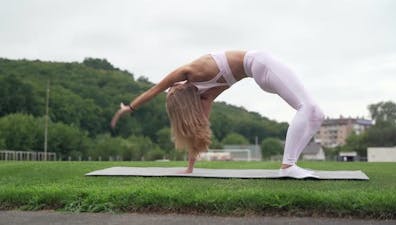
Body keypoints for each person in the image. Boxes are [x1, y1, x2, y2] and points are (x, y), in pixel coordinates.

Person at [111, 50, 324, 178]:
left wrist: (129, 107)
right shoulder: (191, 74)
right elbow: (155, 90)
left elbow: (195, 129)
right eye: (172, 89)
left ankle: (291, 164)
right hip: (261, 64)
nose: (170, 87)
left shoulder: (205, 95)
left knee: (317, 114)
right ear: (179, 90)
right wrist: (129, 108)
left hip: (261, 72)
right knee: (308, 109)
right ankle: (288, 166)